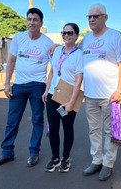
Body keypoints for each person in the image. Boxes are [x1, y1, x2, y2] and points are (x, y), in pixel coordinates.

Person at [0, 8, 54, 167]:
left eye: (35, 20)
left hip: (37, 86)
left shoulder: (47, 43)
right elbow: (11, 61)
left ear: (41, 23)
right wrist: (7, 84)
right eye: (29, 19)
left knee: (37, 120)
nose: (32, 22)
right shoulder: (19, 38)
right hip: (18, 85)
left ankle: (34, 152)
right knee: (12, 120)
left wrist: (47, 89)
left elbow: (53, 68)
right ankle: (6, 152)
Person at [81, 4, 121, 181]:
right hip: (90, 95)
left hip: (110, 95)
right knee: (94, 130)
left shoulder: (115, 36)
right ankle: (96, 160)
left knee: (109, 131)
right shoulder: (86, 38)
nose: (91, 19)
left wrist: (120, 90)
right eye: (89, 17)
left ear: (105, 17)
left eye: (96, 16)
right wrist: (56, 46)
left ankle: (108, 164)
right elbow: (73, 52)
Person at [42, 23, 83, 173]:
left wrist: (72, 102)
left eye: (70, 33)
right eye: (63, 33)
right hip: (53, 94)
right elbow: (52, 72)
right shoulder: (57, 50)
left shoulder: (79, 54)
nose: (66, 35)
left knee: (67, 128)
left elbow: (78, 79)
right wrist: (46, 90)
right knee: (53, 129)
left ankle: (66, 157)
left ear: (76, 36)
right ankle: (55, 158)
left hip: (68, 96)